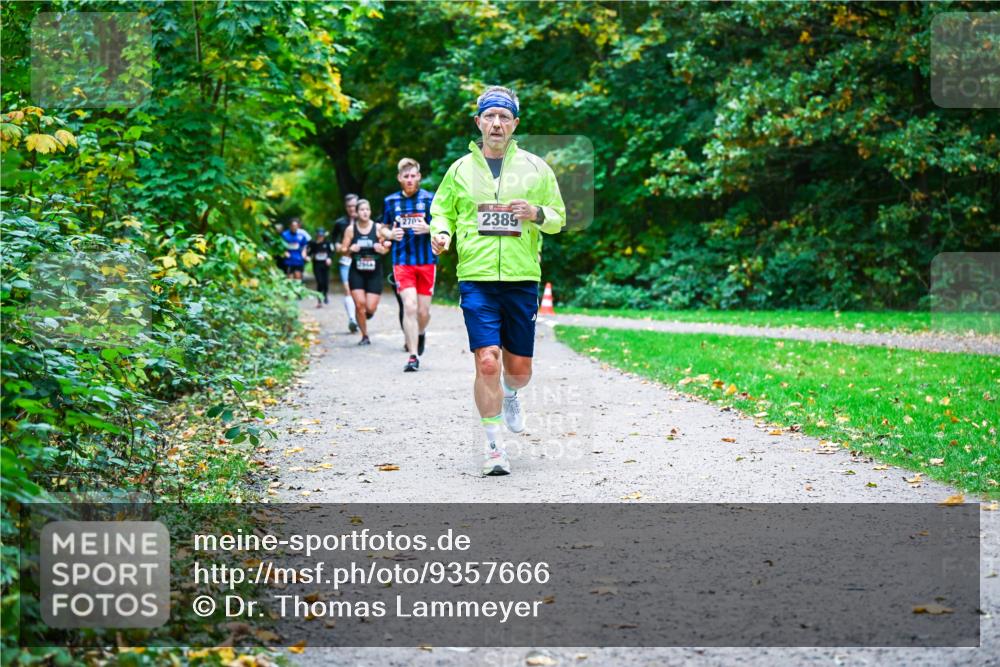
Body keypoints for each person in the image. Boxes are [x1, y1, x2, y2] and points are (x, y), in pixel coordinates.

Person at [430, 85, 566, 476]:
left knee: (519, 369)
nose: (496, 123)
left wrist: (536, 212)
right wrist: (441, 234)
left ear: (515, 124)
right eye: (489, 116)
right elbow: (442, 212)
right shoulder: (459, 170)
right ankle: (493, 448)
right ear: (478, 123)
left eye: (504, 117)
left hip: (523, 276)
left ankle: (511, 393)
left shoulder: (537, 168)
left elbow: (558, 218)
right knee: (487, 361)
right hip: (477, 277)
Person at [379, 157, 436, 373]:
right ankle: (412, 355)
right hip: (402, 261)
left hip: (427, 261)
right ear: (399, 179)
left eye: (413, 176)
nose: (410, 179)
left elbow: (444, 224)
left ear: (419, 177)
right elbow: (382, 227)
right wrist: (390, 233)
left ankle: (420, 333)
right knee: (409, 306)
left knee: (424, 312)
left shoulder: (430, 199)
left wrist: (429, 228)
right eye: (406, 176)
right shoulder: (390, 202)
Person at [340, 199, 391, 345]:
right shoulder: (350, 230)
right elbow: (342, 251)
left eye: (367, 209)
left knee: (370, 308)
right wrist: (350, 249)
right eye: (362, 209)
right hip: (357, 272)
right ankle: (364, 335)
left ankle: (365, 315)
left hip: (374, 273)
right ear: (356, 212)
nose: (365, 212)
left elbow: (386, 247)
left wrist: (381, 249)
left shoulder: (378, 228)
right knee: (359, 305)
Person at [332, 194, 360, 332]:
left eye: (354, 206)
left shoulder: (365, 220)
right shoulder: (340, 223)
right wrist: (337, 245)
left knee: (360, 293)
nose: (351, 209)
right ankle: (352, 319)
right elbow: (334, 239)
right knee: (348, 289)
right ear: (345, 207)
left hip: (363, 261)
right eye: (349, 206)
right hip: (346, 259)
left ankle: (360, 315)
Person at [306, 229, 334, 308]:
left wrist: (329, 258)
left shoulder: (328, 243)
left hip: (325, 264)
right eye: (319, 235)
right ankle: (319, 299)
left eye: (322, 235)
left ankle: (325, 294)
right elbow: (309, 252)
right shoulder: (313, 243)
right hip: (317, 264)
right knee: (319, 281)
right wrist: (308, 257)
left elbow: (332, 252)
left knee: (325, 282)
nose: (320, 237)